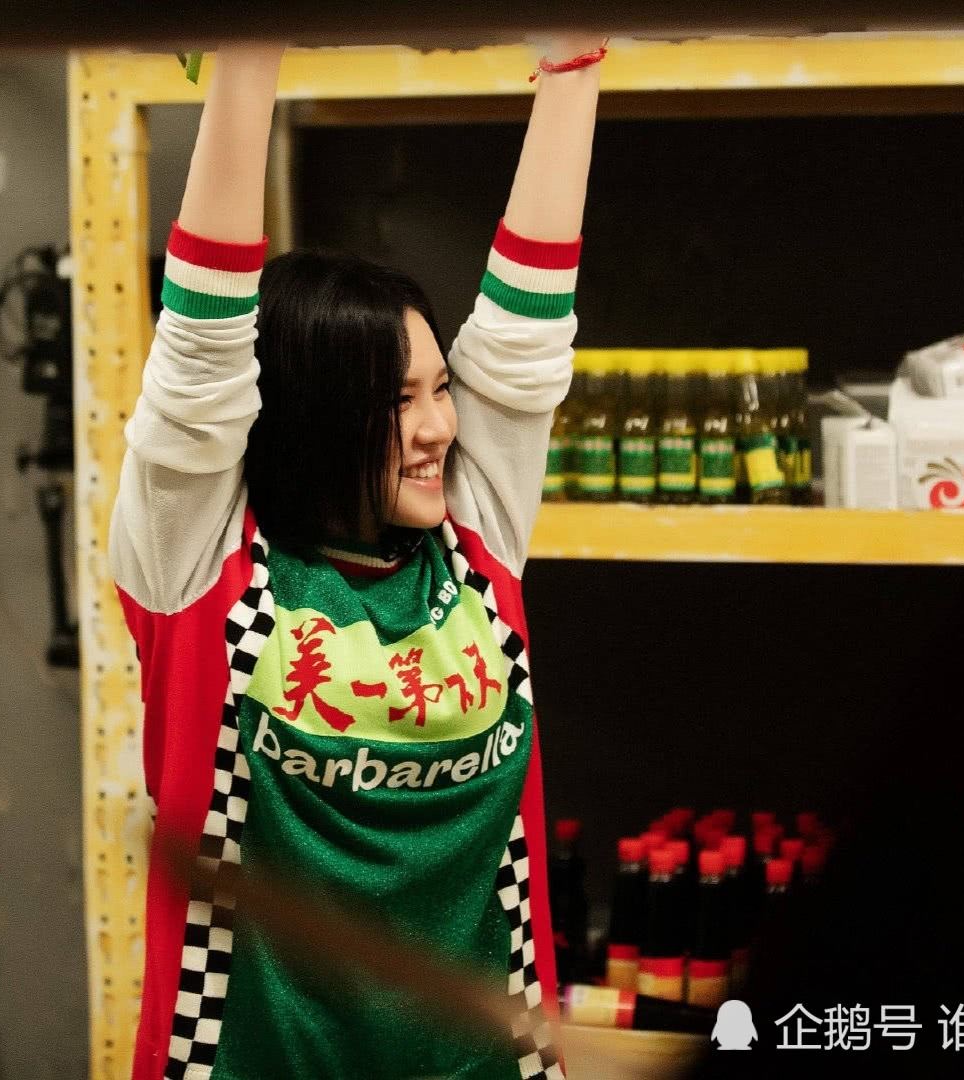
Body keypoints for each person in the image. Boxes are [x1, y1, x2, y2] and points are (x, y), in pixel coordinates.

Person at [109, 35, 603, 1080]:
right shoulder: (200, 565)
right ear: (314, 417)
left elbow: (524, 334)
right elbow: (199, 349)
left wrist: (574, 60)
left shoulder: (471, 534)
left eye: (439, 388)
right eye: (394, 401)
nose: (438, 428)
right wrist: (250, 45)